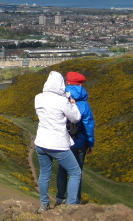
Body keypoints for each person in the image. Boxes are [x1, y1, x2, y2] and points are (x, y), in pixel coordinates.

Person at [34, 71, 82, 213]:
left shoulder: (38, 98)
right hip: (57, 143)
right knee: (75, 172)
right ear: (60, 84)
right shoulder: (62, 101)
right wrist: (72, 103)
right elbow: (75, 118)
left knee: (44, 173)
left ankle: (44, 204)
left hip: (41, 142)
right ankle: (71, 207)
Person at [55, 71, 95, 206]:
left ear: (67, 83)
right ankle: (74, 202)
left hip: (63, 141)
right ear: (81, 85)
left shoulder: (60, 99)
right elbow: (88, 125)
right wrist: (90, 143)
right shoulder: (84, 104)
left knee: (62, 169)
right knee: (76, 172)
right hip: (79, 143)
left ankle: (60, 199)